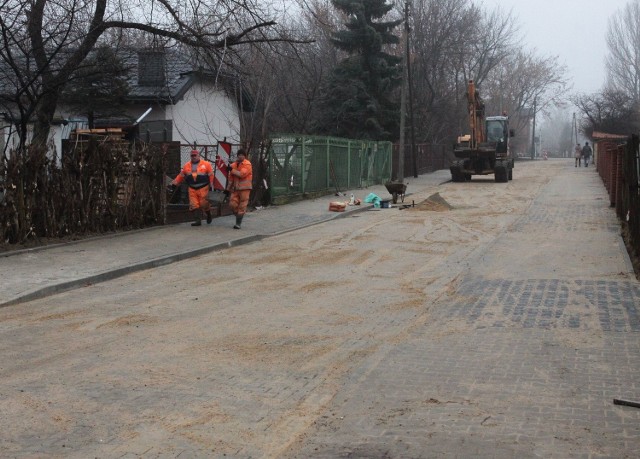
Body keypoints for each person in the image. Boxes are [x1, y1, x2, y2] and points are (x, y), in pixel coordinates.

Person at [171, 149, 214, 226]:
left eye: (195, 155)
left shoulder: (206, 164)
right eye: (192, 156)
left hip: (203, 187)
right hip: (192, 188)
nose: (193, 157)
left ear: (198, 156)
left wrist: (211, 185)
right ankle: (198, 221)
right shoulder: (186, 165)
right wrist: (175, 183)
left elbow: (211, 175)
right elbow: (181, 175)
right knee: (194, 205)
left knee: (204, 204)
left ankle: (208, 214)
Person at [226, 148, 253, 229]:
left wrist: (232, 170)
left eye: (242, 155)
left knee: (242, 206)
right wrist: (227, 189)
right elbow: (230, 179)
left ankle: (238, 223)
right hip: (235, 189)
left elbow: (242, 174)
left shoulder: (247, 164)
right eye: (239, 155)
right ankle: (238, 216)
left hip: (245, 189)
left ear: (245, 156)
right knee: (232, 204)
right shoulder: (233, 165)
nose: (240, 156)